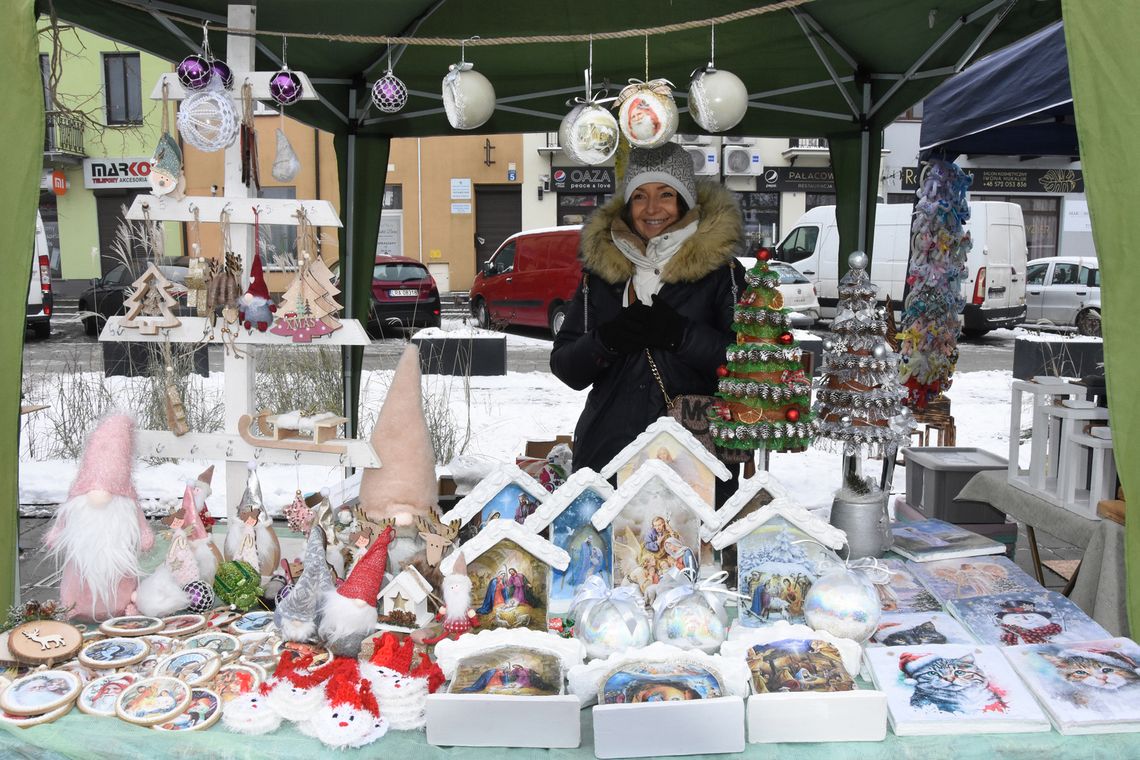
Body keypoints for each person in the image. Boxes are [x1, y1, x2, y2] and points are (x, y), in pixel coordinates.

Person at [551, 142, 745, 476]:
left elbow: (749, 368)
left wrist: (680, 335)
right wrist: (607, 340)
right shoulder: (602, 273)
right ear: (627, 205)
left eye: (666, 194)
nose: (652, 208)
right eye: (640, 195)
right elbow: (567, 367)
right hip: (608, 456)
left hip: (695, 463)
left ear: (684, 201)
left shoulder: (722, 273)